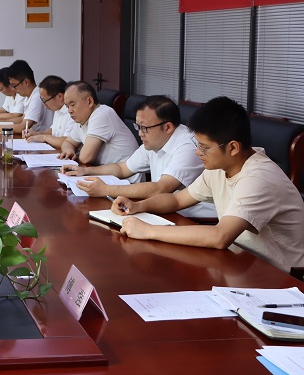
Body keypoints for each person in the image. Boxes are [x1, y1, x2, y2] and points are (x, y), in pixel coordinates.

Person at [111, 96, 304, 271]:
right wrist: (138, 206)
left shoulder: (258, 178)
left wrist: (148, 230)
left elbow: (220, 237)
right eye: (198, 145)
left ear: (233, 148)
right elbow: (177, 200)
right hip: (240, 261)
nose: (198, 152)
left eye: (204, 148)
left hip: (282, 276)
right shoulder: (220, 167)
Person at [62, 95, 213, 217]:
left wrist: (106, 189)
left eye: (144, 128)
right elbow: (122, 168)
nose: (140, 133)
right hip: (165, 211)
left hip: (195, 219)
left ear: (167, 127)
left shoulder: (188, 145)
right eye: (138, 127)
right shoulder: (154, 140)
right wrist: (86, 171)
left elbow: (161, 188)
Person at [59, 81, 139, 181]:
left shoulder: (102, 114)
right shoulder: (82, 119)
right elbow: (68, 142)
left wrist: (78, 151)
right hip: (104, 174)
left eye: (73, 105)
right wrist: (69, 151)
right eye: (67, 106)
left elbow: (86, 158)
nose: (69, 111)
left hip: (126, 180)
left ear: (90, 102)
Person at [0, 60, 50, 135]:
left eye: (14, 85)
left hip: (42, 139)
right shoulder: (29, 97)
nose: (14, 89)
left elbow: (22, 127)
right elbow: (21, 119)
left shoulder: (37, 97)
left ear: (26, 82)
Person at [25, 75, 73, 149]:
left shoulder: (72, 112)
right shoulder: (57, 109)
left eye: (45, 101)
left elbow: (67, 141)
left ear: (59, 96)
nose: (44, 105)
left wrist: (43, 137)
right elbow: (53, 131)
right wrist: (36, 134)